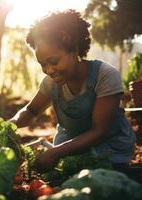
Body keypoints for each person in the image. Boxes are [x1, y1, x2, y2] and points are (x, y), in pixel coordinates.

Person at [10, 10, 136, 172]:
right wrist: (6, 127)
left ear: (74, 49)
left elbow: (100, 130)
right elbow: (31, 110)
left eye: (53, 62)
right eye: (43, 64)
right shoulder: (51, 83)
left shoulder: (104, 75)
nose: (49, 70)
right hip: (69, 143)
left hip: (108, 146)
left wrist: (55, 153)